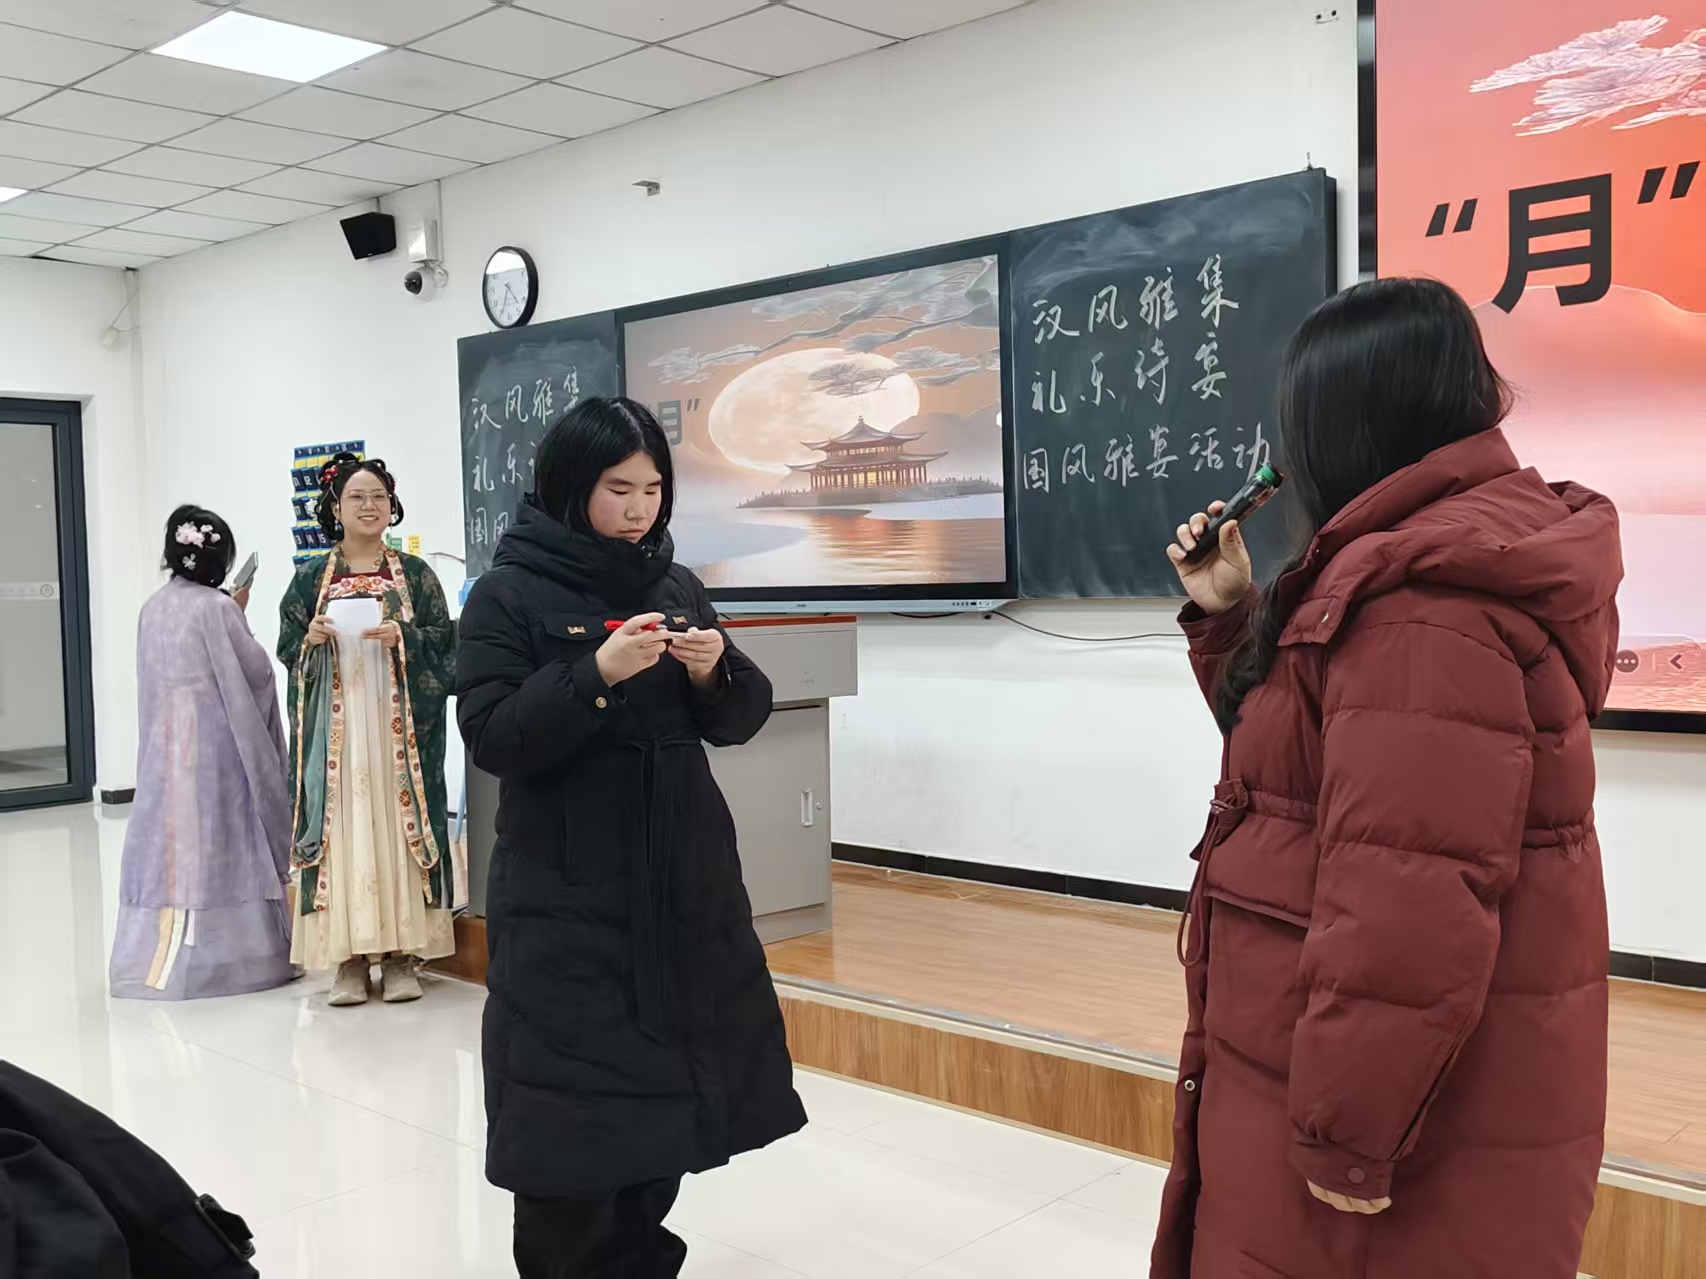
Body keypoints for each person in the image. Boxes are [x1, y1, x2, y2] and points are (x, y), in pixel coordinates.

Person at [1153, 278, 1621, 1279]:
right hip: (1397, 1088)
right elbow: (1298, 770)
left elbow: (1405, 909)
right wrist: (1232, 617)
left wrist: (1345, 1135)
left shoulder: (1419, 613)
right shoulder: (1422, 570)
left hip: (1381, 1132)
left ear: (1341, 427)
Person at [457, 397, 805, 1278]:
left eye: (653, 489)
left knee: (667, 1106)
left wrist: (716, 672)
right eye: (619, 489)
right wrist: (596, 674)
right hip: (567, 893)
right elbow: (494, 736)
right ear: (571, 484)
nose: (639, 508)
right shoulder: (505, 593)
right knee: (569, 1131)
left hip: (681, 880)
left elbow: (740, 717)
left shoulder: (674, 584)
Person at [278, 455, 457, 1007]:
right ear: (335, 508)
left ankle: (402, 955)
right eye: (357, 496)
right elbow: (287, 646)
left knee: (398, 828)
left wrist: (405, 636)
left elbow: (445, 644)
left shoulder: (416, 575)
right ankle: (349, 960)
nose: (369, 505)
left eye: (379, 496)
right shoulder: (311, 578)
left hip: (399, 733)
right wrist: (309, 641)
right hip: (338, 736)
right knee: (344, 831)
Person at [110, 506, 295, 1001]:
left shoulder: (152, 608)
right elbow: (256, 673)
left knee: (168, 844)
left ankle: (152, 959)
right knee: (220, 838)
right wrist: (239, 613)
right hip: (215, 746)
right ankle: (231, 959)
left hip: (162, 748)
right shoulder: (217, 609)